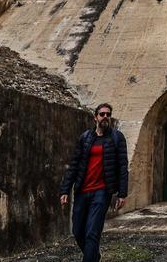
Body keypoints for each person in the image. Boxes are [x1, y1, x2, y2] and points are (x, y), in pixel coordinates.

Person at [59, 103, 128, 262]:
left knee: (92, 232)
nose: (105, 117)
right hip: (82, 190)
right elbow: (74, 165)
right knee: (77, 231)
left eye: (108, 115)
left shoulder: (117, 138)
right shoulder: (85, 138)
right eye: (102, 114)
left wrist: (122, 194)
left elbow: (122, 166)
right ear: (95, 117)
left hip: (102, 192)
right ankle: (94, 256)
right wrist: (65, 190)